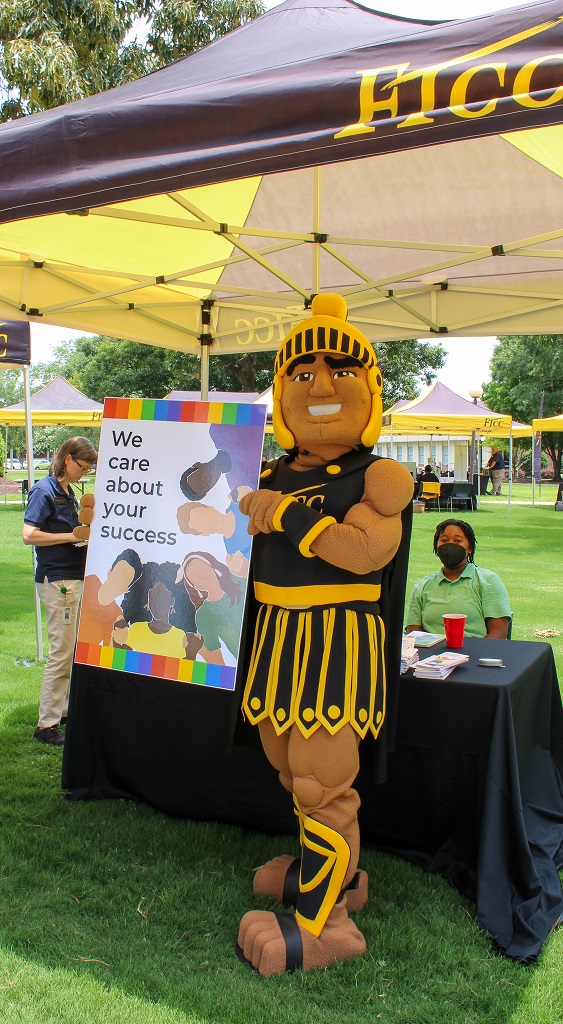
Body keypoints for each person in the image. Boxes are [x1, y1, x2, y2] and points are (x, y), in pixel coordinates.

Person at [234, 293, 414, 976]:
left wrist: (285, 516)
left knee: (321, 784)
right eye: (301, 373)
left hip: (336, 645)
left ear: (370, 389)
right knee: (292, 771)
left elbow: (365, 553)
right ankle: (337, 875)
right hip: (276, 639)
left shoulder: (380, 477)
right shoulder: (268, 472)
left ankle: (326, 927)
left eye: (339, 370)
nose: (319, 386)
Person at [22, 436, 98, 745]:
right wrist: (70, 537)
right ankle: (46, 725)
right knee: (61, 652)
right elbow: (29, 535)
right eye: (83, 466)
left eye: (89, 469)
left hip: (71, 578)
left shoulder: (67, 492)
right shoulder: (44, 491)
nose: (84, 472)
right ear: (67, 459)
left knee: (69, 650)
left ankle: (62, 711)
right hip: (58, 581)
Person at [406, 518, 512, 639]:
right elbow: (413, 634)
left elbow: (498, 634)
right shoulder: (422, 586)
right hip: (431, 650)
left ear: (470, 548)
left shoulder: (488, 581)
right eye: (444, 540)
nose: (450, 545)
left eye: (457, 541)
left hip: (475, 649)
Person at [176, 551, 243, 663]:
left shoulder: (240, 582)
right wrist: (198, 650)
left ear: (213, 568)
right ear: (194, 585)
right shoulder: (203, 616)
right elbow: (217, 664)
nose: (200, 576)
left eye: (201, 569)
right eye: (194, 576)